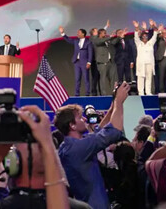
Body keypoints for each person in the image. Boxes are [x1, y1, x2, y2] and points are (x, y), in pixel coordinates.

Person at [55, 81, 130, 209]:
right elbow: (114, 132)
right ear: (72, 125)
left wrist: (113, 107)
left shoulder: (68, 146)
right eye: (80, 118)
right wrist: (119, 102)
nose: (84, 119)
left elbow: (99, 131)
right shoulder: (78, 148)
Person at [59, 26, 94, 96]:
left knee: (86, 79)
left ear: (83, 34)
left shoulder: (88, 42)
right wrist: (62, 33)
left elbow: (90, 53)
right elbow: (68, 39)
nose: (77, 34)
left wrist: (89, 62)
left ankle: (87, 93)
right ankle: (77, 94)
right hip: (76, 62)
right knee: (77, 79)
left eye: (79, 33)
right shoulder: (76, 41)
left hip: (84, 62)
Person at [90, 29, 121, 96]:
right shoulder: (97, 40)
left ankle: (114, 92)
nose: (105, 34)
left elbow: (113, 42)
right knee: (103, 79)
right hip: (102, 62)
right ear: (100, 34)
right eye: (104, 33)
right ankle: (103, 94)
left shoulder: (107, 40)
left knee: (113, 78)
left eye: (105, 33)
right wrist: (110, 36)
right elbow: (100, 41)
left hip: (110, 62)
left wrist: (119, 37)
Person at [132, 21, 158, 95]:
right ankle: (141, 92)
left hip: (149, 63)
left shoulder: (150, 43)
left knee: (149, 78)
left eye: (146, 37)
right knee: (140, 78)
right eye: (143, 37)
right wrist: (137, 27)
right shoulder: (139, 44)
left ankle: (148, 92)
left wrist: (153, 25)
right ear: (141, 38)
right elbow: (136, 36)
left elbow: (155, 34)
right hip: (141, 64)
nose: (145, 38)